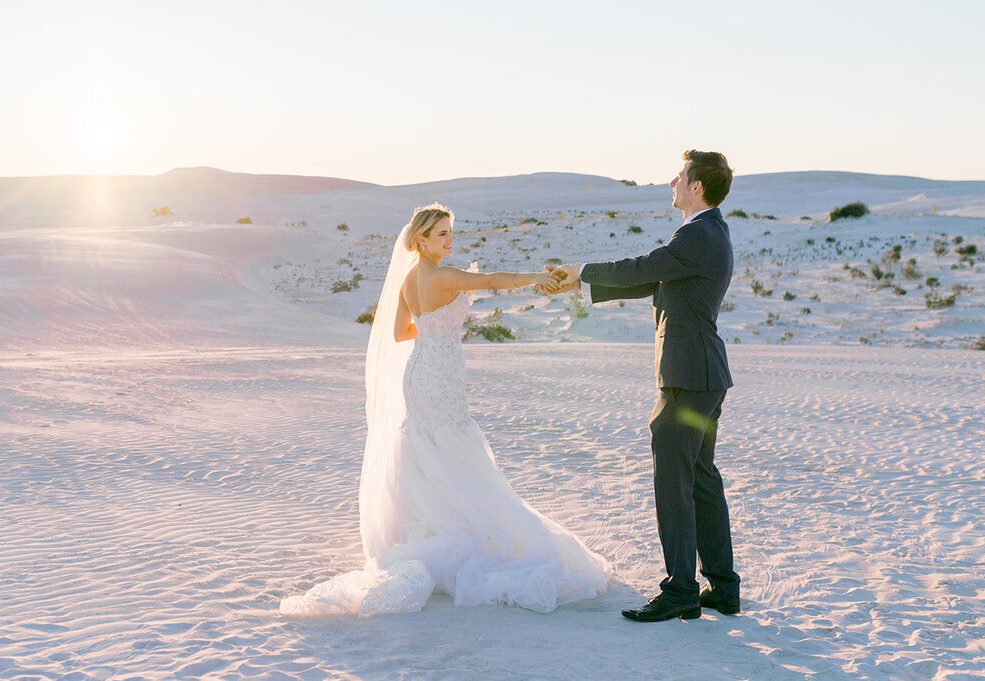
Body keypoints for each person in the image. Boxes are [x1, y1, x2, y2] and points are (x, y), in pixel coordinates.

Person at [281, 203, 610, 617]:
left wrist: (434, 326)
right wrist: (537, 278)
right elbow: (492, 280)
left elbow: (401, 332)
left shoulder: (409, 279)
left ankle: (428, 525)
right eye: (442, 234)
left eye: (451, 232)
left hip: (418, 369)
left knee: (424, 443)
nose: (450, 240)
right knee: (453, 442)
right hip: (440, 372)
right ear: (421, 239)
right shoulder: (444, 275)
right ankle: (459, 528)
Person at [545, 150, 740, 623]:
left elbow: (645, 265)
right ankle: (723, 588)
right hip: (703, 377)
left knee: (675, 484)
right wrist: (582, 285)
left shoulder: (698, 234)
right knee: (700, 479)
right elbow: (654, 280)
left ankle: (680, 592)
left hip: (689, 378)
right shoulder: (710, 233)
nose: (672, 180)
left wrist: (583, 270)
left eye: (680, 175)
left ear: (696, 187)